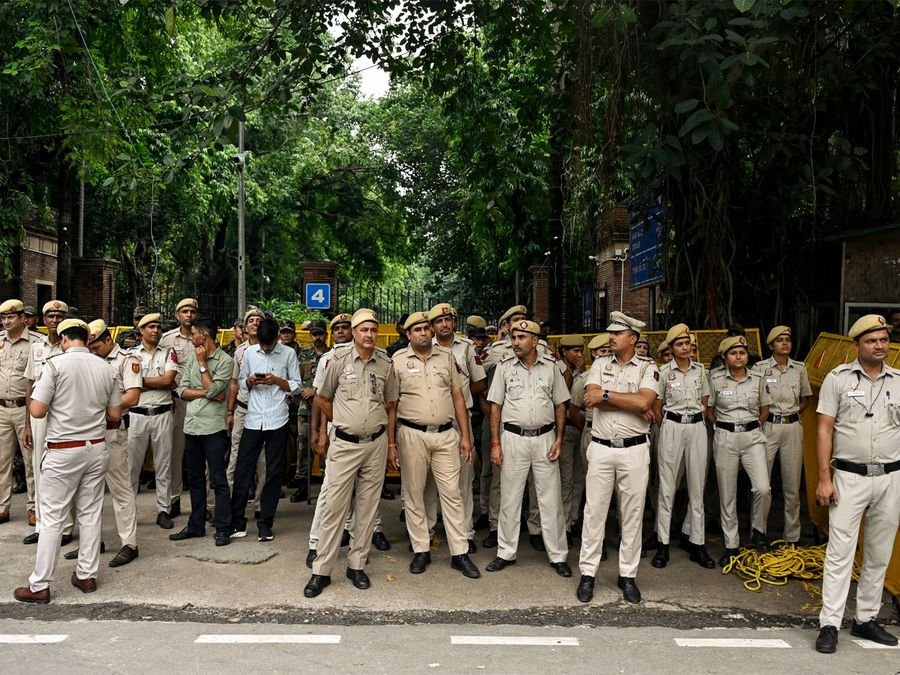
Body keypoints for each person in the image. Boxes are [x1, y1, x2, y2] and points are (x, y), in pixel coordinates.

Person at [13, 319, 120, 603]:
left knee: (51, 519)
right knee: (90, 513)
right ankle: (86, 575)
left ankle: (40, 585)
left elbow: (36, 410)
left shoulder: (55, 365)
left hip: (63, 449)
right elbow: (114, 414)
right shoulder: (105, 367)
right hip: (95, 448)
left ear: (63, 339)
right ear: (87, 339)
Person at [814, 314, 900, 653]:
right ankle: (830, 623)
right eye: (871, 341)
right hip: (848, 477)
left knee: (879, 553)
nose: (879, 346)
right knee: (840, 553)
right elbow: (823, 429)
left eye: (883, 340)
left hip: (891, 477)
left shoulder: (899, 380)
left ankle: (866, 619)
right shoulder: (838, 379)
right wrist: (824, 477)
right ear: (856, 345)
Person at [303, 309, 398, 597]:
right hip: (344, 444)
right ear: (354, 333)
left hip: (376, 443)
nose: (369, 335)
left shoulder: (385, 363)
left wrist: (391, 443)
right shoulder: (337, 359)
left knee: (368, 508)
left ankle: (357, 565)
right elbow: (321, 397)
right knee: (335, 507)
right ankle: (322, 570)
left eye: (373, 330)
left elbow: (391, 404)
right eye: (364, 330)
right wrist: (342, 420)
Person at [389, 311, 480, 579]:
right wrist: (391, 443)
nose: (424, 333)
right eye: (417, 329)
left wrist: (465, 435)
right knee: (415, 493)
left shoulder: (447, 357)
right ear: (408, 334)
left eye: (427, 328)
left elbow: (458, 398)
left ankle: (459, 552)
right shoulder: (398, 361)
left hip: (445, 434)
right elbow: (391, 405)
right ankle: (421, 549)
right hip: (411, 434)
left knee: (452, 493)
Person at [577, 312, 659, 605]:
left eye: (617, 334)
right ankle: (588, 573)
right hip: (600, 447)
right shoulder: (599, 363)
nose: (611, 338)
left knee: (632, 514)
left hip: (634, 449)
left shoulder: (648, 367)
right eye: (610, 333)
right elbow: (591, 398)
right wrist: (630, 401)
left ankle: (628, 575)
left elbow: (645, 402)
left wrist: (608, 396)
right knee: (594, 512)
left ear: (633, 339)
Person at [485, 319, 571, 577]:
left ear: (535, 341)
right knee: (510, 498)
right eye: (513, 337)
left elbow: (560, 405)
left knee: (550, 499)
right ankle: (505, 552)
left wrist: (559, 439)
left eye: (522, 337)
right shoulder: (504, 367)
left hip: (546, 438)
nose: (516, 342)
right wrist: (495, 443)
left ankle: (557, 555)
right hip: (513, 438)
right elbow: (495, 407)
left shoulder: (551, 367)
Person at [229, 317, 301, 541]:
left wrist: (277, 381)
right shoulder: (250, 353)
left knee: (273, 472)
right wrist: (250, 381)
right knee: (243, 469)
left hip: (277, 418)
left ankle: (265, 523)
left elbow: (297, 385)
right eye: (262, 344)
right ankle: (237, 520)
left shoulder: (288, 354)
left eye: (269, 345)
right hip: (253, 418)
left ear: (277, 338)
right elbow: (241, 382)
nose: (266, 348)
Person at [652, 324, 715, 570]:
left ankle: (697, 544)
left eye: (687, 343)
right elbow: (657, 408)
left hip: (697, 426)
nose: (685, 347)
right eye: (679, 344)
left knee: (697, 486)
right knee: (667, 487)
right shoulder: (664, 372)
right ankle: (662, 544)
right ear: (671, 348)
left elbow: (705, 403)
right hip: (672, 426)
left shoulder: (701, 372)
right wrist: (668, 426)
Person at [167, 317, 233, 547]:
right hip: (192, 426)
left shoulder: (225, 361)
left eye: (193, 333)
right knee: (195, 479)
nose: (190, 336)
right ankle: (196, 525)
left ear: (203, 335)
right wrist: (207, 392)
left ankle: (224, 527)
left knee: (218, 479)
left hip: (213, 428)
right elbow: (182, 390)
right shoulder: (193, 358)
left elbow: (216, 387)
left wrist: (204, 365)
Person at [708, 335, 772, 567]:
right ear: (725, 357)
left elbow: (764, 409)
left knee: (763, 488)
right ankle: (731, 544)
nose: (739, 357)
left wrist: (752, 426)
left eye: (742, 353)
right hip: (725, 437)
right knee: (728, 493)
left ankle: (758, 531)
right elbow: (710, 410)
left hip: (753, 436)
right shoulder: (714, 379)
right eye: (733, 353)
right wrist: (724, 427)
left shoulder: (757, 378)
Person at [83, 320, 141, 567]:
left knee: (120, 488)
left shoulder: (127, 359)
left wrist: (103, 409)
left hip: (112, 430)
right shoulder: (87, 361)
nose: (92, 350)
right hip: (87, 433)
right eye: (90, 347)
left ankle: (130, 543)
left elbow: (133, 395)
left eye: (95, 346)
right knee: (88, 490)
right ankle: (93, 542)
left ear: (108, 340)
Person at [430, 303, 487, 553]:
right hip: (432, 423)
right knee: (429, 483)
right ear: (432, 326)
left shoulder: (466, 348)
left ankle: (465, 533)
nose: (444, 324)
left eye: (448, 320)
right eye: (439, 321)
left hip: (460, 423)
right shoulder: (424, 347)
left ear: (454, 322)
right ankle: (428, 531)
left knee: (464, 479)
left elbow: (480, 381)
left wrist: (463, 401)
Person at [752, 326, 812, 544]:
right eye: (779, 340)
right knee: (762, 484)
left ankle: (792, 537)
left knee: (792, 486)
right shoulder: (760, 368)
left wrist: (793, 414)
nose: (785, 343)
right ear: (770, 346)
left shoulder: (799, 369)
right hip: (768, 426)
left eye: (788, 339)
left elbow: (805, 398)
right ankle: (759, 532)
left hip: (792, 427)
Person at [23, 300, 70, 544]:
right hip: (39, 415)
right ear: (43, 320)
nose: (54, 320)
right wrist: (28, 424)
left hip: (63, 415)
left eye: (59, 315)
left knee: (64, 470)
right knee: (39, 468)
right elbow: (30, 384)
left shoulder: (70, 346)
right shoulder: (35, 347)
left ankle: (65, 527)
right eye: (50, 316)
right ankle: (41, 525)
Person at [126, 312, 178, 529]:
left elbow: (169, 380)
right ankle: (128, 512)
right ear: (141, 331)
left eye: (158, 327)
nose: (156, 330)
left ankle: (163, 510)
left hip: (163, 413)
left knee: (164, 465)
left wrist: (139, 382)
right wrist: (155, 383)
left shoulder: (169, 353)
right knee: (131, 467)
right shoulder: (130, 354)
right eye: (151, 327)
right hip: (137, 414)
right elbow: (126, 384)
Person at [0, 299, 42, 526]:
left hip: (25, 409)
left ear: (23, 318)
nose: (6, 322)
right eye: (4, 318)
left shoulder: (36, 344)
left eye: (11, 317)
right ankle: (2, 507)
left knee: (30, 460)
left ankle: (33, 507)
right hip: (1, 409)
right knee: (2, 461)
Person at [160, 298, 198, 520]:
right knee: (175, 451)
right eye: (184, 311)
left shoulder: (203, 336)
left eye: (192, 311)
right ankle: (173, 499)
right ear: (177, 315)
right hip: (177, 399)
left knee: (202, 453)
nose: (189, 314)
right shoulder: (167, 340)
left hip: (202, 400)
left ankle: (203, 503)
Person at [290, 320, 327, 503]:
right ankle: (303, 485)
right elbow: (294, 378)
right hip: (305, 408)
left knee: (326, 448)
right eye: (314, 334)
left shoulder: (332, 355)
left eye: (320, 334)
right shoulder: (303, 355)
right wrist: (303, 390)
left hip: (326, 409)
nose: (317, 337)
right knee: (303, 446)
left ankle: (326, 485)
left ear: (326, 335)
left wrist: (316, 390)